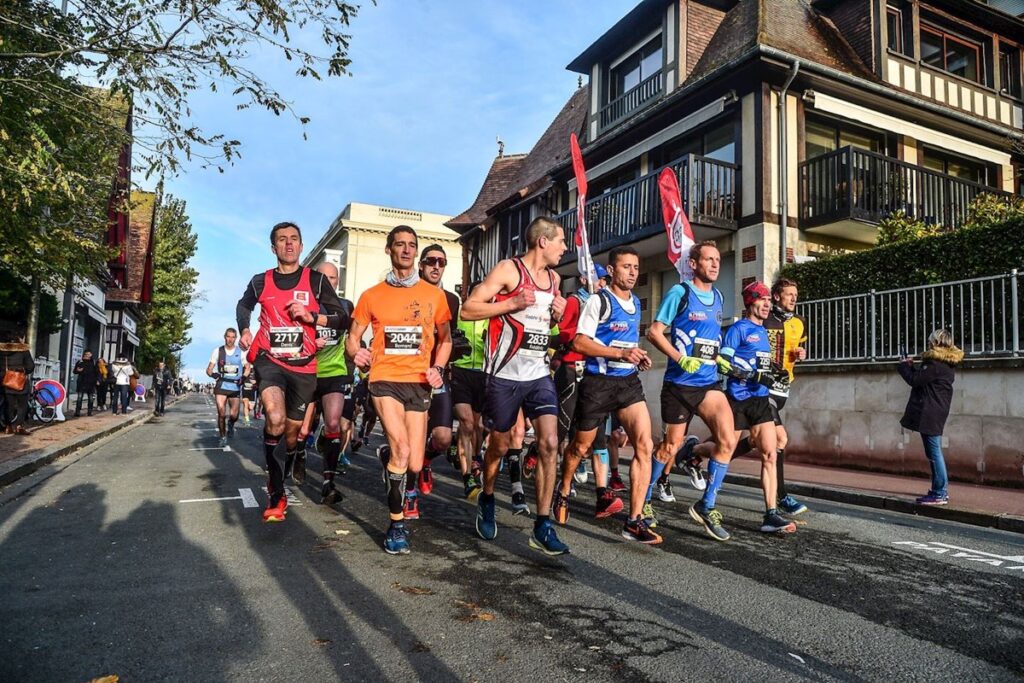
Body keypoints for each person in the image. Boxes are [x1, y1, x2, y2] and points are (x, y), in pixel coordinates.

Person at [461, 216, 569, 556]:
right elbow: (467, 309)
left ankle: (542, 525)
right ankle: (488, 496)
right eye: (561, 241)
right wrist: (510, 303)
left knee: (550, 442)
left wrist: (558, 314)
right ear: (543, 242)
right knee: (500, 445)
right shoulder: (508, 271)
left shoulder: (555, 279)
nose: (565, 248)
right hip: (505, 374)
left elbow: (546, 327)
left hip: (538, 374)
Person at [237, 221, 351, 523]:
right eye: (282, 240)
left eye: (294, 239)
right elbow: (243, 305)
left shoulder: (315, 281)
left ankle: (286, 465)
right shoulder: (261, 281)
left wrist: (313, 317)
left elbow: (343, 319)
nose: (289, 244)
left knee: (290, 436)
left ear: (301, 246)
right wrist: (245, 330)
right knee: (274, 417)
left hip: (304, 367)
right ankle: (276, 493)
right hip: (270, 360)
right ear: (273, 248)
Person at [347, 225, 452, 554]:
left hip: (419, 382)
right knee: (403, 451)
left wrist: (437, 368)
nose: (406, 250)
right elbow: (353, 337)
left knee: (416, 464)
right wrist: (357, 352)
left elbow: (446, 339)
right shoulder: (371, 296)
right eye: (400, 245)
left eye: (411, 245)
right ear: (389, 250)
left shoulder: (435, 296)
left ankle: (386, 455)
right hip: (384, 379)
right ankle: (396, 525)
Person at [552, 246, 660, 543]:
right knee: (580, 447)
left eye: (636, 267)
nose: (633, 272)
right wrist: (620, 353)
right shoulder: (598, 302)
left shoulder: (637, 303)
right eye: (626, 267)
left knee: (645, 445)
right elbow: (580, 343)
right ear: (611, 270)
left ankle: (634, 520)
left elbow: (628, 344)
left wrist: (637, 356)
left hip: (627, 384)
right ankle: (562, 491)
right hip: (597, 384)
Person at [687, 281, 796, 538]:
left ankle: (770, 515)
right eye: (762, 299)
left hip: (760, 401)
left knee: (770, 452)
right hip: (737, 399)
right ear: (750, 303)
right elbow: (721, 361)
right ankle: (703, 489)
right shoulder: (738, 329)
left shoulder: (765, 332)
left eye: (769, 299)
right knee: (725, 450)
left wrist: (771, 374)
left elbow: (760, 364)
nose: (768, 303)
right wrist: (749, 375)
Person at [645, 240, 736, 535]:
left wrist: (720, 357)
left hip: (708, 383)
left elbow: (711, 338)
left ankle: (706, 506)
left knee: (727, 441)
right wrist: (680, 359)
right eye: (708, 259)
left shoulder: (720, 296)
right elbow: (654, 332)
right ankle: (644, 498)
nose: (714, 264)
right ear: (694, 264)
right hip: (678, 384)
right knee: (669, 447)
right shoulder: (680, 292)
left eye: (717, 260)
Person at [409, 244, 463, 519]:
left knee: (442, 438)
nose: (436, 266)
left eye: (441, 262)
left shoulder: (452, 300)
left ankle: (426, 461)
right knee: (411, 441)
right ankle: (409, 496)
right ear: (421, 265)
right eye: (431, 261)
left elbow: (450, 338)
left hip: (437, 374)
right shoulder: (408, 293)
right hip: (408, 375)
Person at [552, 263, 613, 499]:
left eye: (605, 280)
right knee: (563, 427)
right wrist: (586, 333)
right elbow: (565, 335)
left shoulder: (604, 304)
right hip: (571, 369)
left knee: (594, 431)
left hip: (595, 372)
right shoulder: (575, 302)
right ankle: (556, 474)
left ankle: (602, 492)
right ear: (584, 279)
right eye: (600, 279)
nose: (603, 283)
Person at [301, 261, 355, 506]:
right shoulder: (304, 306)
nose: (328, 282)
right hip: (307, 371)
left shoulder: (346, 307)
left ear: (338, 282)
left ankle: (328, 483)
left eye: (333, 278)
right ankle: (298, 451)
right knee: (300, 430)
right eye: (323, 277)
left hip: (335, 371)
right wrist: (311, 344)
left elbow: (352, 338)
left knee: (334, 423)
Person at [898, 329, 963, 506]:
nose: (928, 344)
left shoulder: (934, 364)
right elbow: (921, 378)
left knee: (934, 452)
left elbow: (914, 380)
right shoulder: (944, 363)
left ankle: (940, 492)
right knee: (933, 452)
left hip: (930, 412)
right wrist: (912, 367)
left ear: (936, 343)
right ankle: (939, 490)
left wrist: (904, 365)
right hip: (936, 410)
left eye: (930, 341)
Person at [450, 281, 488, 500]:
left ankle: (474, 456)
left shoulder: (491, 318)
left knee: (479, 425)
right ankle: (467, 477)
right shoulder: (459, 314)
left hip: (483, 374)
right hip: (461, 372)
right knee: (467, 422)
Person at [207, 328, 246, 449]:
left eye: (233, 337)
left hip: (235, 386)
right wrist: (215, 375)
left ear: (236, 338)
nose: (230, 339)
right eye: (228, 337)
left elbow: (248, 367)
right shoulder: (217, 351)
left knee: (234, 415)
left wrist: (243, 378)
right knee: (221, 412)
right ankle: (222, 437)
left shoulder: (241, 352)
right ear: (225, 337)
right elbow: (208, 370)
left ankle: (231, 424)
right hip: (222, 385)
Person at [1, 332, 34, 434]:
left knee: (8, 406)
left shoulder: (2, 350)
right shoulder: (23, 349)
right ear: (20, 338)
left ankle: (8, 426)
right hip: (20, 382)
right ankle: (19, 426)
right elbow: (31, 366)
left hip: (6, 381)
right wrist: (23, 371)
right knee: (22, 405)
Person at [73, 350, 99, 417]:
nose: (87, 355)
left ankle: (89, 412)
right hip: (82, 382)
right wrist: (78, 370)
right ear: (84, 355)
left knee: (90, 398)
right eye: (86, 354)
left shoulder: (93, 362)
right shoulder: (80, 361)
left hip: (91, 383)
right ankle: (77, 412)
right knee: (79, 397)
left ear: (91, 355)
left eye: (89, 354)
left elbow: (97, 372)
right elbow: (75, 371)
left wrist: (97, 380)